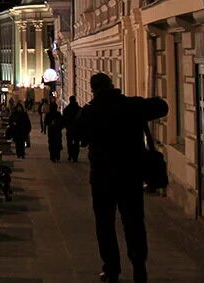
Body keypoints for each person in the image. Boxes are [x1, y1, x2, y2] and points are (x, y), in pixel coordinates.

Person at [77, 73, 168, 283]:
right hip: (130, 176)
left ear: (93, 89)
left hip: (102, 178)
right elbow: (162, 107)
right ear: (112, 85)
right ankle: (138, 265)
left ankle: (111, 269)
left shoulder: (91, 111)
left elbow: (78, 137)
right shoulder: (130, 105)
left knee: (105, 225)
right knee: (134, 222)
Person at [63, 95, 82, 162]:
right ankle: (75, 156)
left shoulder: (66, 109)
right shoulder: (79, 109)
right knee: (76, 143)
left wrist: (65, 125)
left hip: (69, 128)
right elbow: (82, 120)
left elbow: (64, 119)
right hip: (77, 129)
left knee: (69, 142)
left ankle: (70, 155)